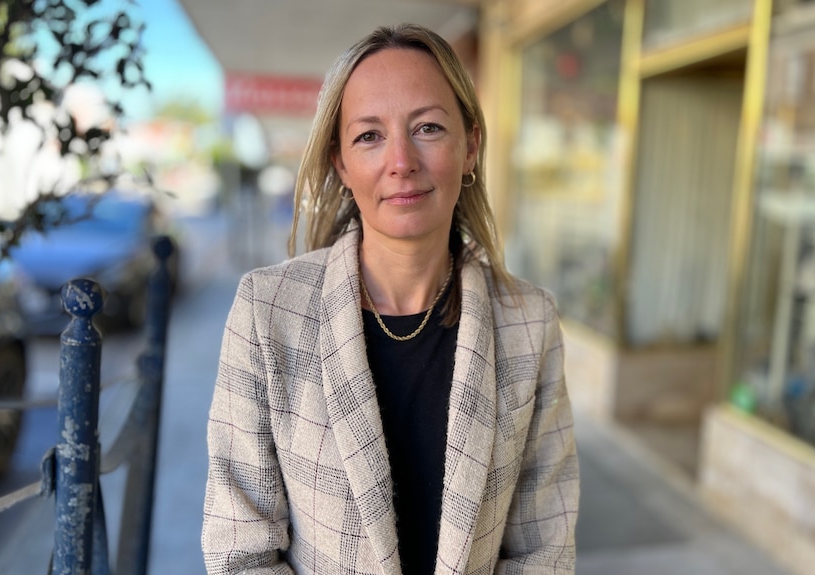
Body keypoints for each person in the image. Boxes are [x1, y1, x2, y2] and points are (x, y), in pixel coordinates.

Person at [202, 23, 579, 574]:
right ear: (340, 163)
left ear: (470, 146)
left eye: (427, 127)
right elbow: (240, 551)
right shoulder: (267, 312)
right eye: (369, 136)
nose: (401, 161)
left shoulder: (529, 322)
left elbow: (544, 550)